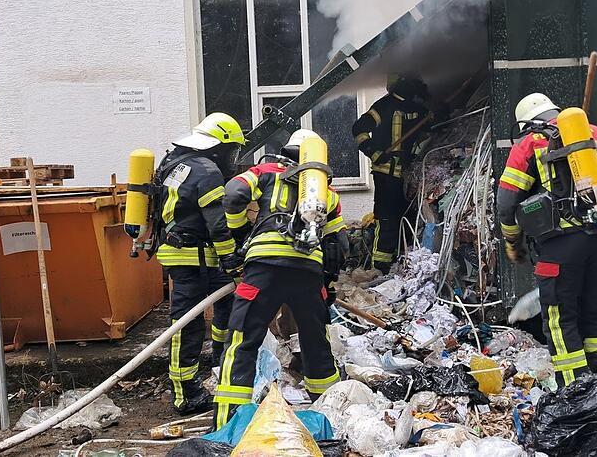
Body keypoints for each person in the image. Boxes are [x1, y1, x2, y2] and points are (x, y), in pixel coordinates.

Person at [496, 92, 597, 388]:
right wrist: (588, 148)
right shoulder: (592, 132)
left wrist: (513, 243)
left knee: (561, 321)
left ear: (528, 123)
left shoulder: (529, 143)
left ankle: (576, 393)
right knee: (596, 314)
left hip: (559, 247)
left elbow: (506, 203)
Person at [213, 129, 347, 430]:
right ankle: (332, 422)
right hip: (308, 272)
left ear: (287, 152)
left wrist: (240, 233)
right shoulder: (326, 191)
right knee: (316, 342)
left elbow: (233, 195)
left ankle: (226, 426)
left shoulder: (264, 172)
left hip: (263, 268)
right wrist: (328, 283)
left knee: (242, 340)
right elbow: (339, 245)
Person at [155, 112, 246, 415]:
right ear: (217, 146)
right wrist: (232, 260)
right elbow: (218, 225)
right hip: (193, 255)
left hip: (183, 251)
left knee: (228, 305)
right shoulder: (207, 171)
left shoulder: (174, 161)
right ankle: (185, 393)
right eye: (231, 150)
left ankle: (220, 366)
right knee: (187, 323)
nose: (232, 158)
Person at [351, 76, 431, 273]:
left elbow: (428, 128)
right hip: (386, 174)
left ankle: (400, 261)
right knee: (387, 219)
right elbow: (359, 129)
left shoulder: (417, 107)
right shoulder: (384, 106)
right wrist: (374, 152)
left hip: (407, 175)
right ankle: (379, 267)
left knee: (406, 217)